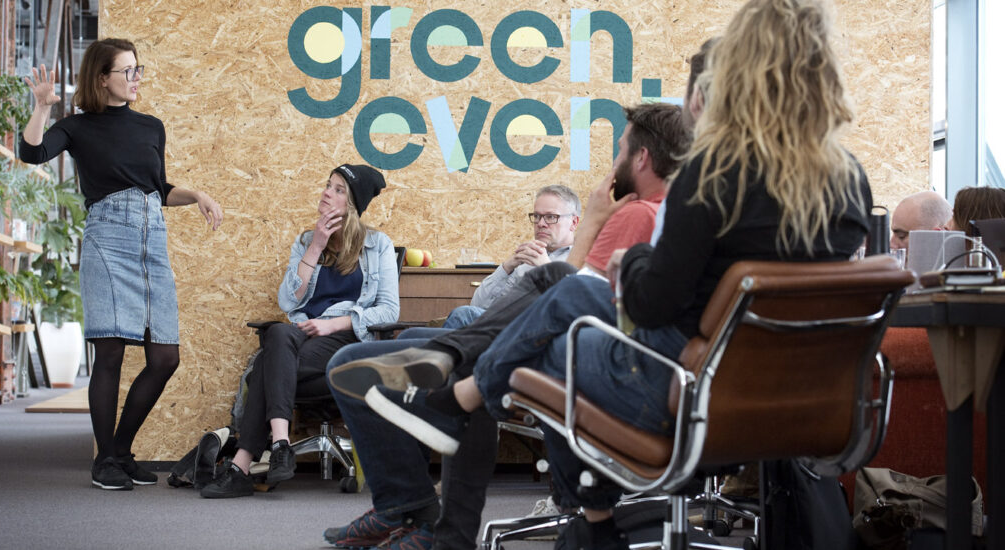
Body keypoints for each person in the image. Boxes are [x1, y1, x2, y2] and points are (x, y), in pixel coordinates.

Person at [364, 1, 873, 548]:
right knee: (569, 296)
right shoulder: (849, 180)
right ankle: (495, 433)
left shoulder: (714, 174)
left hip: (692, 395)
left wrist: (633, 261)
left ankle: (586, 514)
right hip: (803, 399)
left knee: (551, 346)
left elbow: (651, 306)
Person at [320, 102, 691, 550]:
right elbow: (498, 301)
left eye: (620, 150)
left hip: (577, 353)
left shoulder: (637, 214)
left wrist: (593, 222)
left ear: (642, 159)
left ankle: (432, 521)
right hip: (547, 338)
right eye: (537, 216)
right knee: (407, 343)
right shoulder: (667, 217)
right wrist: (514, 266)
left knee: (361, 359)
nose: (614, 163)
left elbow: (574, 297)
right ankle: (412, 505)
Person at [19, 39, 224, 491]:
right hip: (108, 241)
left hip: (152, 243)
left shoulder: (152, 127)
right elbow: (32, 153)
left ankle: (120, 451)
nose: (136, 78)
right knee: (110, 352)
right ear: (101, 78)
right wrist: (42, 108)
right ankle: (105, 462)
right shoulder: (76, 128)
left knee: (165, 357)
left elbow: (157, 188)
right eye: (127, 71)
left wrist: (196, 195)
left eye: (138, 69)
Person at [198, 164, 399, 499]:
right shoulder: (306, 241)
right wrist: (316, 246)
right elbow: (288, 299)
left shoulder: (377, 245)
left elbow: (389, 310)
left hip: (346, 341)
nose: (326, 193)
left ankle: (241, 467)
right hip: (302, 337)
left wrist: (334, 323)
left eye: (338, 190)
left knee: (265, 368)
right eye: (328, 185)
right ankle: (280, 444)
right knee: (278, 333)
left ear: (352, 205)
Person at [441, 185, 580, 328]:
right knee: (452, 319)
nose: (540, 223)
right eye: (537, 216)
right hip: (505, 327)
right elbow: (478, 305)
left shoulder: (582, 260)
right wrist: (506, 267)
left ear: (574, 222)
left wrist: (547, 269)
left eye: (550, 217)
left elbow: (575, 309)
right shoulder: (526, 259)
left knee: (463, 315)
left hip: (538, 330)